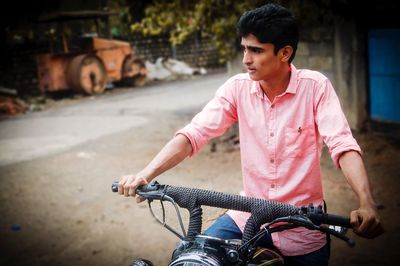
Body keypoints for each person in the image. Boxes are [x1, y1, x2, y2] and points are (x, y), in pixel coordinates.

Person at [118, 3, 383, 265]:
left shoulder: (315, 88)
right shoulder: (237, 88)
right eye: (244, 48)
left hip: (302, 226)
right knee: (194, 258)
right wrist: (146, 174)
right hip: (246, 217)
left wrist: (366, 203)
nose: (246, 59)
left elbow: (342, 145)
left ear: (285, 53)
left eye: (256, 50)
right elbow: (194, 133)